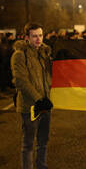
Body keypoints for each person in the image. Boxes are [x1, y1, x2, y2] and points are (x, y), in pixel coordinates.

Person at [11, 23, 54, 169]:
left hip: (45, 104)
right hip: (30, 106)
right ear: (26, 37)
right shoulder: (19, 55)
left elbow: (50, 77)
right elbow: (21, 81)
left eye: (40, 35)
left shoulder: (45, 53)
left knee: (43, 140)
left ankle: (42, 165)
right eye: (34, 36)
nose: (38, 39)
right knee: (28, 143)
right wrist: (38, 99)